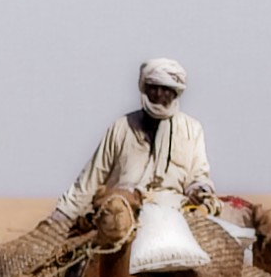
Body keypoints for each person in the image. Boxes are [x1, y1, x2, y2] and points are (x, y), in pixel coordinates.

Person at [59, 58, 212, 217]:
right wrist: (61, 216)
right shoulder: (121, 127)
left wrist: (198, 190)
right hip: (122, 210)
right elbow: (90, 180)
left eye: (165, 89)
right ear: (144, 88)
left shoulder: (192, 129)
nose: (158, 94)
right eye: (153, 88)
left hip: (174, 211)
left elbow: (199, 174)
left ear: (175, 92)